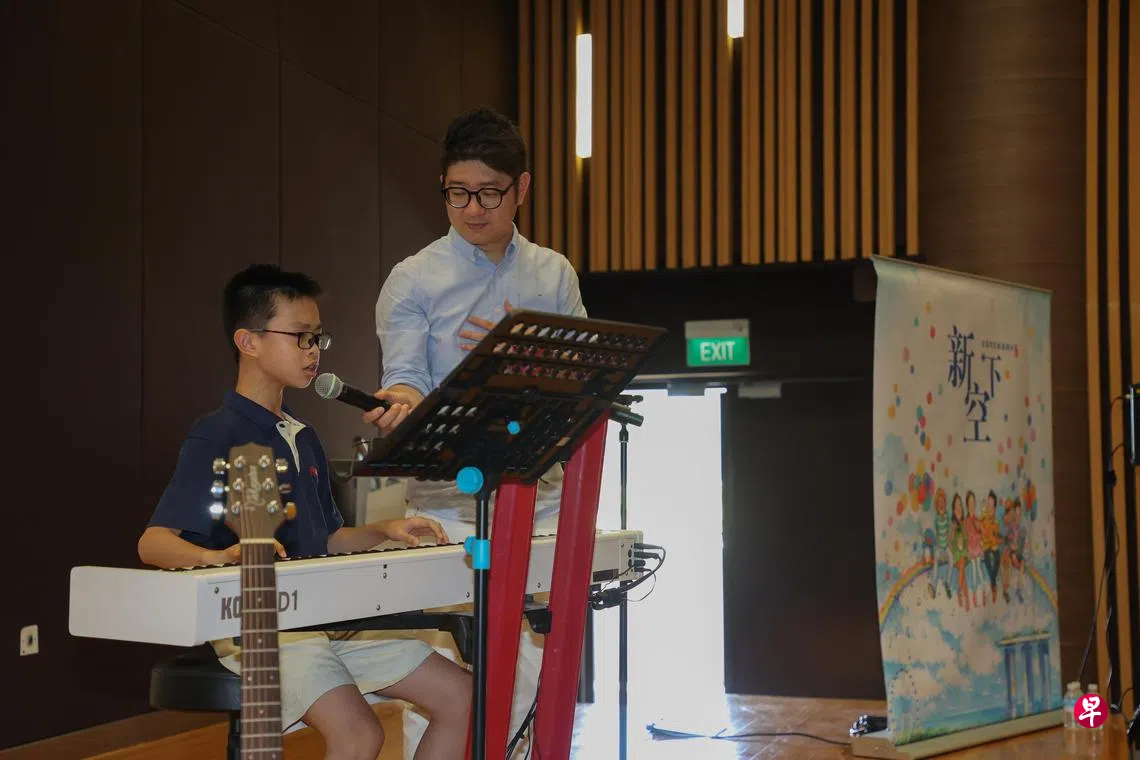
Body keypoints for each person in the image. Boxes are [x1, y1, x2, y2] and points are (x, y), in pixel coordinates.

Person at [138, 264, 472, 760]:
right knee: (360, 735)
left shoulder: (303, 435)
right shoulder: (217, 433)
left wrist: (385, 529)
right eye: (299, 337)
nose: (313, 350)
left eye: (318, 338)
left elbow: (328, 540)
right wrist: (221, 557)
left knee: (462, 697)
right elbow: (154, 543)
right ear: (248, 341)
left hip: (324, 619)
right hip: (260, 629)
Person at [369, 105, 587, 756]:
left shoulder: (553, 274)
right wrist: (400, 403)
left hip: (538, 498)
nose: (472, 209)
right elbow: (405, 378)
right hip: (448, 506)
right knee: (443, 680)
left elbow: (582, 378)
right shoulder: (413, 278)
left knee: (533, 675)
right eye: (457, 192)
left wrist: (526, 356)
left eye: (489, 192)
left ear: (522, 188)